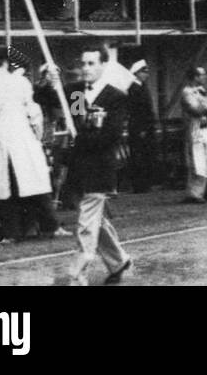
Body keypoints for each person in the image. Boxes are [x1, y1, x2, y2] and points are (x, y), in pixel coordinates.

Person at [0, 47, 65, 246]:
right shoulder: (20, 82)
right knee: (36, 186)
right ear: (7, 63)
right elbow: (35, 114)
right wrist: (37, 137)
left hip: (0, 142)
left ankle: (12, 232)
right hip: (24, 140)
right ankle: (50, 226)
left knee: (8, 192)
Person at [62, 46, 133, 285]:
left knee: (86, 223)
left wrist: (81, 139)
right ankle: (118, 261)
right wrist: (48, 80)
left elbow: (110, 135)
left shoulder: (116, 96)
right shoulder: (76, 94)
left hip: (99, 169)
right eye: (83, 63)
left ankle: (77, 272)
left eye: (92, 63)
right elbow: (49, 100)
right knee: (95, 222)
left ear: (103, 65)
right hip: (79, 167)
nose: (86, 68)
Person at [180, 66, 207, 203]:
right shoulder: (187, 92)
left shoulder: (203, 91)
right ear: (194, 77)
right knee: (198, 160)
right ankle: (194, 193)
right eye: (201, 75)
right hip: (195, 127)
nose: (204, 77)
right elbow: (197, 110)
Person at [125, 60, 158, 193]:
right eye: (144, 72)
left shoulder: (142, 87)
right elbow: (137, 110)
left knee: (146, 155)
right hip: (139, 126)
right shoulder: (134, 88)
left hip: (145, 125)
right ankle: (139, 184)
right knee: (139, 155)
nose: (146, 75)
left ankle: (145, 183)